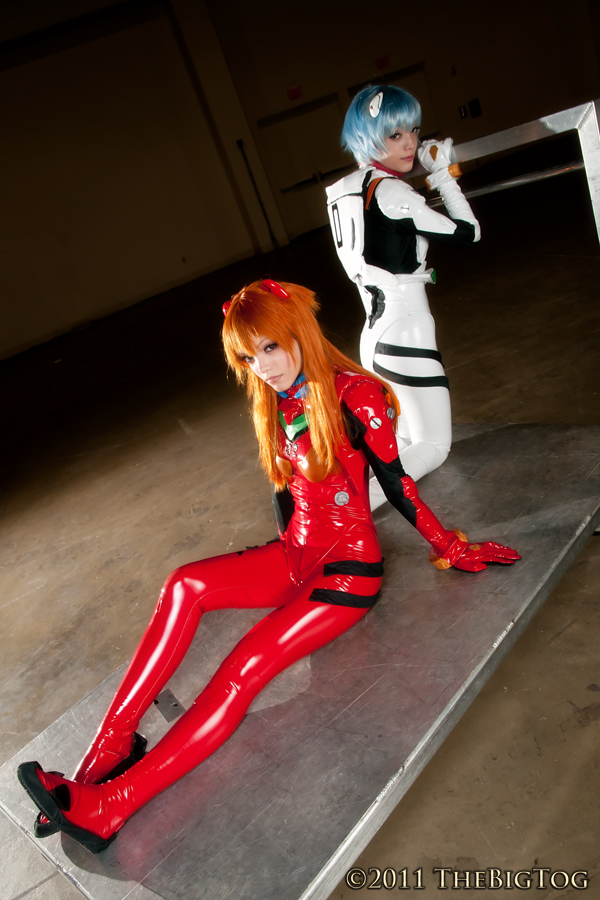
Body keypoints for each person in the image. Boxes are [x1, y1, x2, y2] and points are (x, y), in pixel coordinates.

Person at [18, 280, 518, 854]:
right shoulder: (279, 399)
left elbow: (396, 482)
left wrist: (450, 545)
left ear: (297, 333)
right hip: (294, 555)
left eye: (270, 348)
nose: (263, 367)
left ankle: (111, 806)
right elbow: (288, 490)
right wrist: (279, 551)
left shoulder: (356, 395)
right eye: (249, 357)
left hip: (345, 572)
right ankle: (105, 755)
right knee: (184, 583)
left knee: (240, 669)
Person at [326, 85, 480, 506]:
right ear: (368, 138)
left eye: (413, 129)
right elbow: (468, 233)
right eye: (395, 135)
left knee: (406, 442)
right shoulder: (391, 192)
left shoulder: (348, 190)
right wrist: (441, 173)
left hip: (377, 332)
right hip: (406, 328)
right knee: (433, 446)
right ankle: (341, 512)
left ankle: (339, 507)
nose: (410, 142)